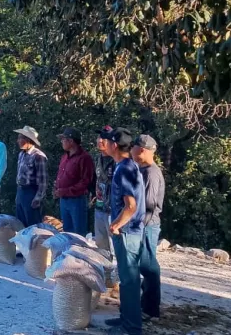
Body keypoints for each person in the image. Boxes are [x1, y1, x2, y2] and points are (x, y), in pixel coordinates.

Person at [105, 127, 146, 335]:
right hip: (128, 231)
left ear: (114, 145)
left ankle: (131, 328)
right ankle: (125, 318)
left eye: (107, 142)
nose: (104, 145)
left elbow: (130, 206)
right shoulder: (127, 166)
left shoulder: (124, 169)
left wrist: (116, 225)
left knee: (129, 281)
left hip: (127, 232)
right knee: (126, 278)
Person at [132, 134, 165, 321]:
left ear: (142, 150)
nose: (131, 150)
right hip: (143, 225)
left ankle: (151, 310)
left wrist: (137, 228)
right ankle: (146, 304)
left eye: (134, 147)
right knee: (145, 264)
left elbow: (149, 206)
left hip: (147, 225)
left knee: (148, 266)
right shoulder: (142, 169)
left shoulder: (151, 173)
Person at [54, 127, 94, 235]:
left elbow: (85, 181)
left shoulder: (84, 158)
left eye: (63, 139)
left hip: (77, 200)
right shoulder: (64, 157)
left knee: (78, 232)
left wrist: (65, 191)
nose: (62, 142)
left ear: (71, 141)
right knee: (67, 231)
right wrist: (57, 187)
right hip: (63, 199)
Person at [13, 126, 48, 228]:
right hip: (21, 191)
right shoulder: (21, 154)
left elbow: (43, 181)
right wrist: (18, 195)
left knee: (33, 226)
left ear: (27, 140)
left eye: (20, 138)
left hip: (31, 192)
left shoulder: (38, 156)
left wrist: (38, 198)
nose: (18, 141)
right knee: (20, 224)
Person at [92, 125, 116, 255]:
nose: (100, 140)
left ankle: (118, 268)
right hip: (100, 206)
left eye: (104, 138)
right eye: (99, 137)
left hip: (113, 209)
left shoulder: (117, 160)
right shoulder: (98, 158)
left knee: (116, 245)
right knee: (101, 245)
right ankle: (104, 267)